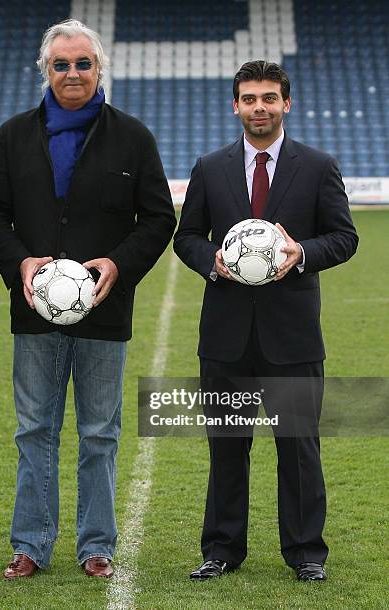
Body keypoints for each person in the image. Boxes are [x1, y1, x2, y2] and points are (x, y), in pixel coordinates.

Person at [0, 19, 176, 579]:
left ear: (99, 69)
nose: (72, 73)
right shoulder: (15, 134)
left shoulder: (132, 136)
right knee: (34, 430)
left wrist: (118, 263)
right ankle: (30, 545)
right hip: (35, 313)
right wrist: (20, 263)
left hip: (104, 312)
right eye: (61, 64)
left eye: (82, 63)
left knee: (99, 433)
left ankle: (97, 547)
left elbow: (159, 218)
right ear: (47, 70)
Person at [174, 60, 358, 582]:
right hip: (226, 336)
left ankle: (306, 554)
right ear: (235, 106)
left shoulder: (318, 166)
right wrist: (212, 259)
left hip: (293, 337)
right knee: (227, 449)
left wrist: (301, 252)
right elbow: (186, 237)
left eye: (269, 98)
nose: (260, 108)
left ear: (286, 104)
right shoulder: (210, 167)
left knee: (299, 448)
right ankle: (222, 550)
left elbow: (344, 237)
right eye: (250, 99)